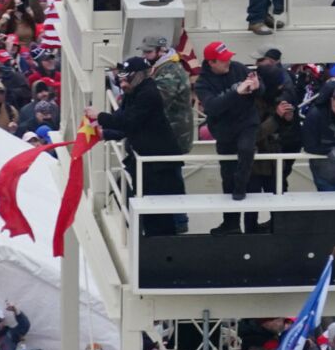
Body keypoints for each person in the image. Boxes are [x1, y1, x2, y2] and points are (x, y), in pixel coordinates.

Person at [89, 56, 184, 236]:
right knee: (141, 203)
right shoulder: (134, 93)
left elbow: (129, 121)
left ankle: (160, 246)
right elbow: (129, 125)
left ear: (139, 76)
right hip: (144, 160)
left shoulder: (148, 94)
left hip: (158, 164)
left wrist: (100, 116)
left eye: (127, 79)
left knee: (159, 212)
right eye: (121, 79)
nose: (123, 84)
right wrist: (105, 133)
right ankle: (147, 237)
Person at [194, 42, 260, 234]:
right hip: (224, 130)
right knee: (227, 175)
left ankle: (241, 189)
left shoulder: (238, 67)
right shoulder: (202, 82)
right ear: (212, 62)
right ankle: (231, 223)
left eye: (229, 58)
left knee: (247, 150)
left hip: (247, 122)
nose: (228, 62)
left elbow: (260, 91)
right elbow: (212, 106)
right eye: (223, 60)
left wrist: (257, 86)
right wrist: (235, 92)